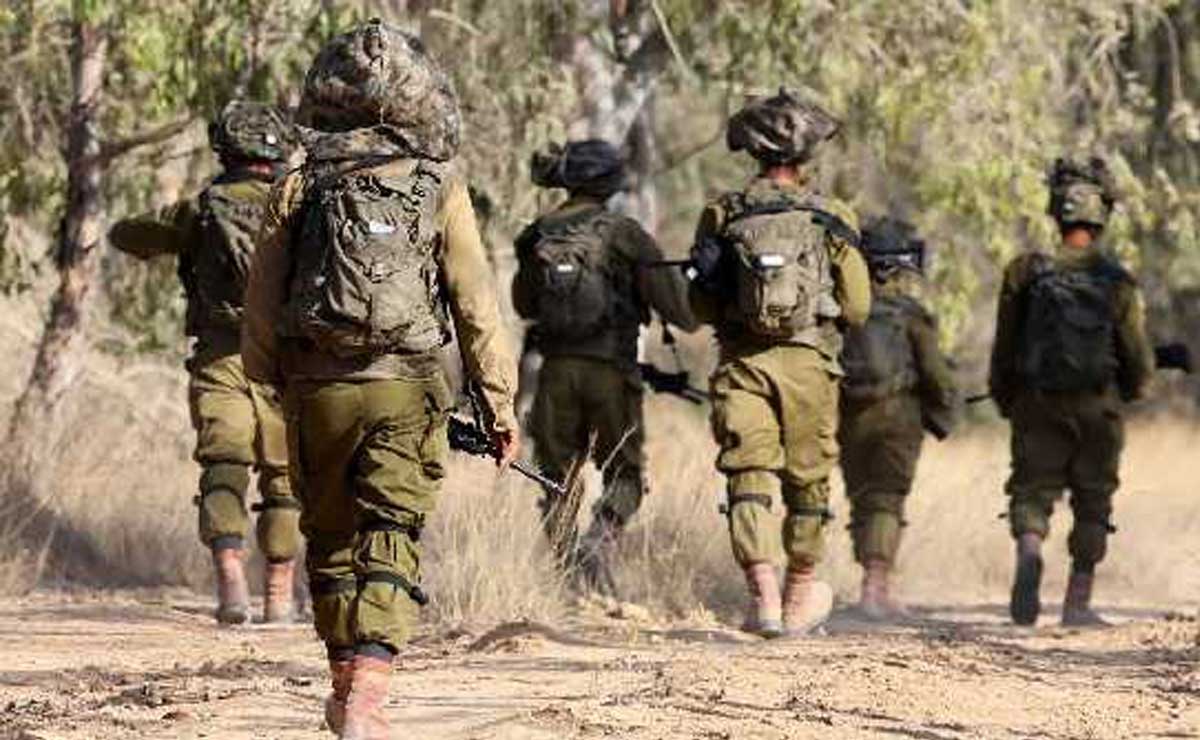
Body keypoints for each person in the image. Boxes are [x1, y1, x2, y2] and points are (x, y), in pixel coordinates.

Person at [241, 20, 519, 739]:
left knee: (331, 535)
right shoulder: (437, 183)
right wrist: (498, 404)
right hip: (407, 386)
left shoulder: (298, 181)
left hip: (319, 386)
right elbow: (475, 304)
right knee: (392, 529)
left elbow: (262, 299)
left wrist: (270, 380)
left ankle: (343, 686)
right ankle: (368, 695)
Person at [108, 101, 300, 625]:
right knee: (285, 476)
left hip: (220, 357)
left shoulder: (203, 208)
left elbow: (128, 235)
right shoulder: (300, 207)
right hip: (284, 361)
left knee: (224, 463)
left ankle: (230, 581)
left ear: (225, 147)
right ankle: (279, 595)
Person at [688, 89, 871, 638]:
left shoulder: (723, 213)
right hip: (811, 366)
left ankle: (762, 598)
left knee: (748, 474)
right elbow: (858, 307)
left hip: (743, 366)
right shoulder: (832, 216)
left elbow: (698, 306)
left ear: (754, 150)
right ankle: (797, 599)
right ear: (807, 154)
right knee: (808, 480)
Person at [511, 140, 696, 592]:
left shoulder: (538, 235)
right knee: (623, 473)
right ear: (609, 182)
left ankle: (569, 579)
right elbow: (680, 311)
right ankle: (599, 541)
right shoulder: (625, 234)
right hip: (611, 372)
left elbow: (524, 305)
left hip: (555, 372)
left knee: (556, 477)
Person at [988, 156, 1154, 627]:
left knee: (1032, 490)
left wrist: (1006, 396)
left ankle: (1029, 549)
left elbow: (1005, 344)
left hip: (1036, 401)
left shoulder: (1024, 271)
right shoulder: (1116, 280)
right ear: (1101, 217)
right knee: (1093, 498)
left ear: (1055, 213)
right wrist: (1132, 391)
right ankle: (1077, 602)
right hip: (1097, 406)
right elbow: (1136, 357)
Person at [838, 217, 957, 620]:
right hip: (898, 417)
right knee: (887, 499)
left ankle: (868, 584)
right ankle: (876, 588)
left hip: (849, 417)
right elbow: (935, 374)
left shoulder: (843, 313)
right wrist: (943, 415)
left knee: (861, 498)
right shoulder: (910, 314)